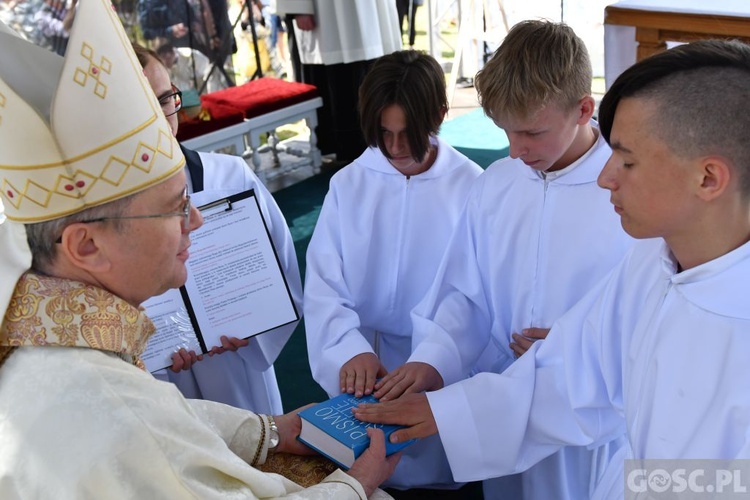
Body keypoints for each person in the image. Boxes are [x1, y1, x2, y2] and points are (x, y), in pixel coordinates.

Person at [0, 2, 398, 497]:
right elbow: (141, 423)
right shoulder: (114, 423)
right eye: (172, 209)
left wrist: (268, 430)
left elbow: (158, 413)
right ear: (87, 244)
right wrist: (356, 488)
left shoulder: (53, 342)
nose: (196, 219)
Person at [355, 38, 750, 498]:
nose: (606, 177)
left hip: (595, 459)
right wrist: (451, 408)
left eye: (626, 160)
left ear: (708, 178)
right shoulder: (653, 263)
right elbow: (573, 372)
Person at [359, 20, 634, 500]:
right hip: (502, 408)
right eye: (506, 131)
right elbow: (466, 294)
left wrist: (575, 343)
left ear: (584, 109)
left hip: (584, 418)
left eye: (531, 132)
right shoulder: (498, 184)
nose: (515, 149)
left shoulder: (626, 193)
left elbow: (640, 310)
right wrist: (434, 360)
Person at [303, 50, 483, 497]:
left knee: (437, 478)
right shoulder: (349, 185)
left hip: (436, 365)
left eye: (409, 133)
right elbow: (324, 285)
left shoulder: (473, 187)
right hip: (365, 363)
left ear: (440, 115)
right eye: (384, 133)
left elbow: (475, 293)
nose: (397, 148)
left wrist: (436, 358)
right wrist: (348, 348)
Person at [134, 43, 302, 416]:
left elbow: (283, 267)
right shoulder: (108, 212)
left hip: (236, 366)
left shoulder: (228, 176)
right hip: (164, 384)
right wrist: (154, 354)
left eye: (167, 100)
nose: (164, 118)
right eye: (146, 108)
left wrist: (253, 325)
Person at [276, 0, 401, 163]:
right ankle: (350, 154)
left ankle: (388, 144)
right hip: (330, 14)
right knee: (341, 77)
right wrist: (300, 8)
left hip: (373, 9)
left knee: (377, 56)